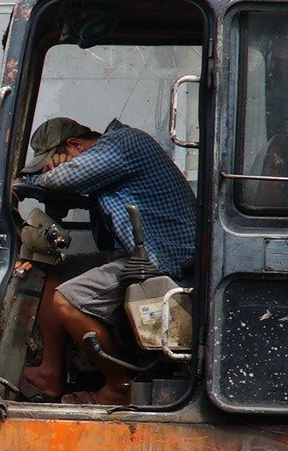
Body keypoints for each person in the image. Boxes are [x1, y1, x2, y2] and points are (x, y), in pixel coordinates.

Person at [11, 115, 199, 400]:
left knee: (66, 299)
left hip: (162, 256)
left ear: (74, 145)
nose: (57, 166)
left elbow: (63, 178)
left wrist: (38, 178)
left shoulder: (123, 144)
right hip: (135, 250)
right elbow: (102, 235)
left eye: (54, 159)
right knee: (48, 273)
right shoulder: (111, 161)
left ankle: (118, 386)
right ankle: (50, 372)